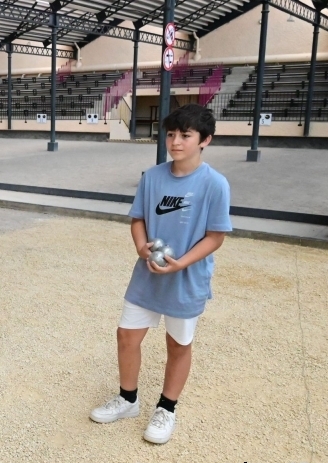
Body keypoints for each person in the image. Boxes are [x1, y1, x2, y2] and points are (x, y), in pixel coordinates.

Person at [89, 103, 232, 444]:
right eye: (171, 134)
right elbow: (138, 218)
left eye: (186, 135)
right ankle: (127, 400)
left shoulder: (215, 184)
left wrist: (183, 262)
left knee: (178, 343)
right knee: (127, 335)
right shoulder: (152, 177)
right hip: (148, 273)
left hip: (186, 278)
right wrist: (141, 247)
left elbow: (216, 236)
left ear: (205, 140)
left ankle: (167, 408)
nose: (176, 142)